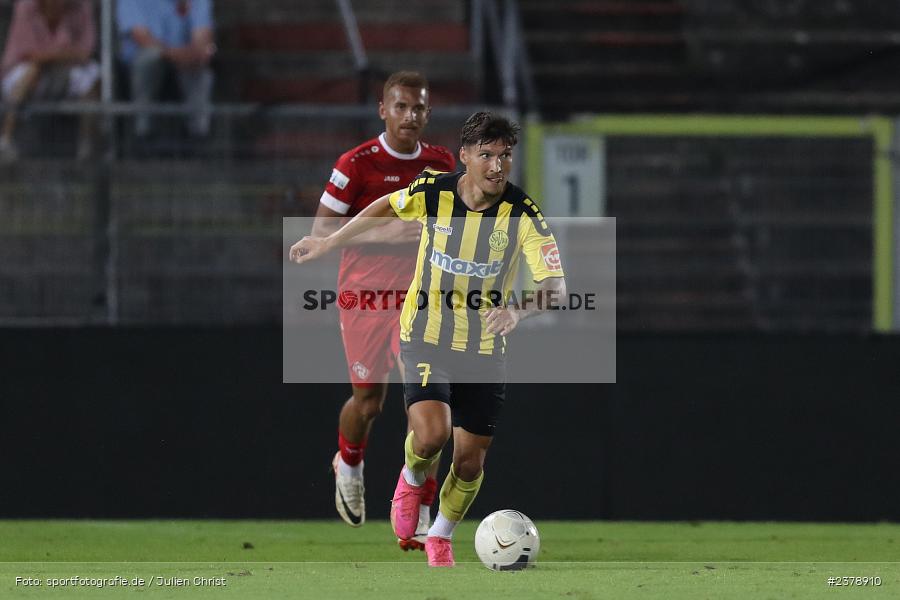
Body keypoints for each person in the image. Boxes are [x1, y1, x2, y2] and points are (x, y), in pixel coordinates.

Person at [290, 112, 567, 567]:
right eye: (487, 155)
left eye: (505, 156)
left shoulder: (522, 214)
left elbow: (556, 287)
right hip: (424, 333)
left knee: (471, 462)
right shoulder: (433, 191)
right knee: (431, 435)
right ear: (465, 157)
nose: (498, 166)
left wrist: (517, 309)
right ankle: (412, 477)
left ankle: (440, 535)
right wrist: (330, 242)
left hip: (483, 350)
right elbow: (383, 206)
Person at [310, 71, 455, 550]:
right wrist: (390, 233)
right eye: (401, 107)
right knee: (369, 402)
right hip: (365, 298)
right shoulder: (357, 164)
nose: (410, 116)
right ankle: (349, 460)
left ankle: (422, 508)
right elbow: (320, 234)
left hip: (422, 297)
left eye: (418, 108)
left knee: (427, 405)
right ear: (383, 110)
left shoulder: (440, 162)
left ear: (428, 114)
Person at [0, 0, 100, 162]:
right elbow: (29, 55)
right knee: (32, 71)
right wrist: (61, 54)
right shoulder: (26, 6)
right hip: (25, 71)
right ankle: (6, 138)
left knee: (91, 77)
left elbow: (85, 53)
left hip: (65, 69)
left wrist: (52, 56)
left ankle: (88, 146)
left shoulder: (81, 6)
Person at [116, 0, 215, 138]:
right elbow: (142, 37)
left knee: (201, 71)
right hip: (141, 63)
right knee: (150, 58)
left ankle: (197, 135)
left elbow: (202, 39)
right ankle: (143, 132)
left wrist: (196, 54)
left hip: (183, 62)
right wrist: (175, 55)